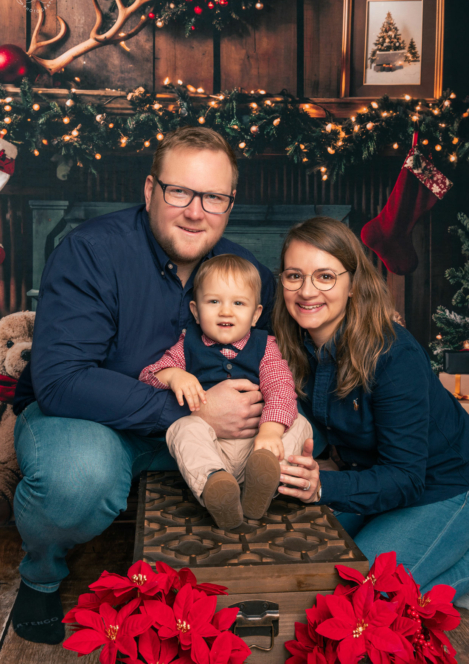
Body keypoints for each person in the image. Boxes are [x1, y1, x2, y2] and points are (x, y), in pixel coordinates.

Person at [11, 127, 276, 645]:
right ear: (151, 190)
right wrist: (192, 414)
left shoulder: (248, 274)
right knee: (77, 479)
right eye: (180, 192)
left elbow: (277, 363)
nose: (196, 212)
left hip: (204, 439)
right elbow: (61, 381)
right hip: (90, 422)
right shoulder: (90, 252)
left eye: (213, 197)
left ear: (230, 203)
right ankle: (41, 575)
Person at [273, 216, 469, 605]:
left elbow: (406, 478)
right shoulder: (292, 342)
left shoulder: (395, 355)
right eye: (294, 275)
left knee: (357, 600)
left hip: (440, 485)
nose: (307, 291)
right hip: (369, 476)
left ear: (352, 284)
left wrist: (322, 487)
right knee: (299, 567)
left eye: (325, 276)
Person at [139, 253, 312, 530]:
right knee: (181, 429)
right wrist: (173, 375)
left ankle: (264, 482)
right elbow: (148, 377)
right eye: (214, 301)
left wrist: (270, 431)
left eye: (238, 303)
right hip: (212, 448)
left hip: (259, 446)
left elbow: (281, 388)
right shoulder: (186, 345)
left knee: (300, 423)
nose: (226, 311)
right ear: (195, 311)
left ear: (256, 314)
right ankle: (215, 486)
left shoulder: (265, 346)